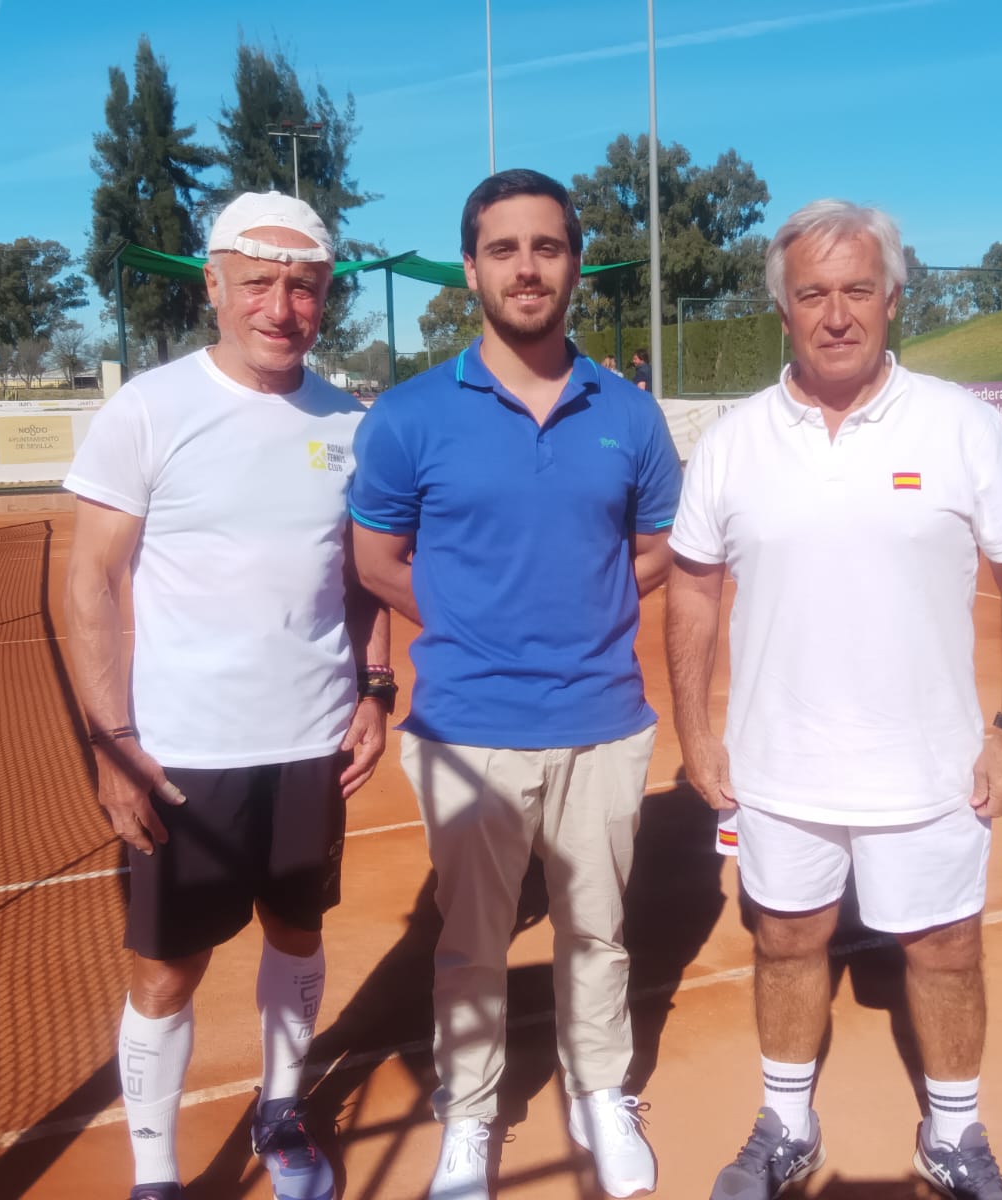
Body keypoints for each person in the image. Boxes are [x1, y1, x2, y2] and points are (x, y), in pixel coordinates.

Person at [665, 199, 1002, 1200]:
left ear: (892, 297)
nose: (834, 314)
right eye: (810, 294)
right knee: (786, 940)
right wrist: (697, 731)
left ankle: (955, 1138)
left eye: (854, 290)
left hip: (930, 765)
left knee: (943, 948)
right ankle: (786, 1127)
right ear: (783, 310)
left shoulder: (962, 428)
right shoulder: (733, 442)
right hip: (776, 765)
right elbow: (696, 588)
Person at [347, 168, 683, 1200]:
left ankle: (600, 1094)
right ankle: (470, 1114)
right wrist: (471, 624)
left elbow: (658, 543)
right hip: (465, 729)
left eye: (547, 247)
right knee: (473, 942)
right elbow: (374, 558)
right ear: (472, 269)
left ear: (574, 264)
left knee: (597, 932)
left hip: (603, 725)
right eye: (505, 249)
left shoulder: (630, 412)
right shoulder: (407, 417)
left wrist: (578, 610)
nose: (527, 267)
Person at [63, 191, 394, 1200]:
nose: (280, 306)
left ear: (324, 294)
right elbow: (90, 579)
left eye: (302, 285)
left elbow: (363, 574)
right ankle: (155, 1170)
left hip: (309, 743)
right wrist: (113, 742)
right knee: (166, 969)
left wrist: (376, 685)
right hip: (180, 752)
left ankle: (280, 1109)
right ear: (213, 284)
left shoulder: (350, 420)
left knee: (298, 935)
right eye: (258, 282)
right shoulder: (150, 410)